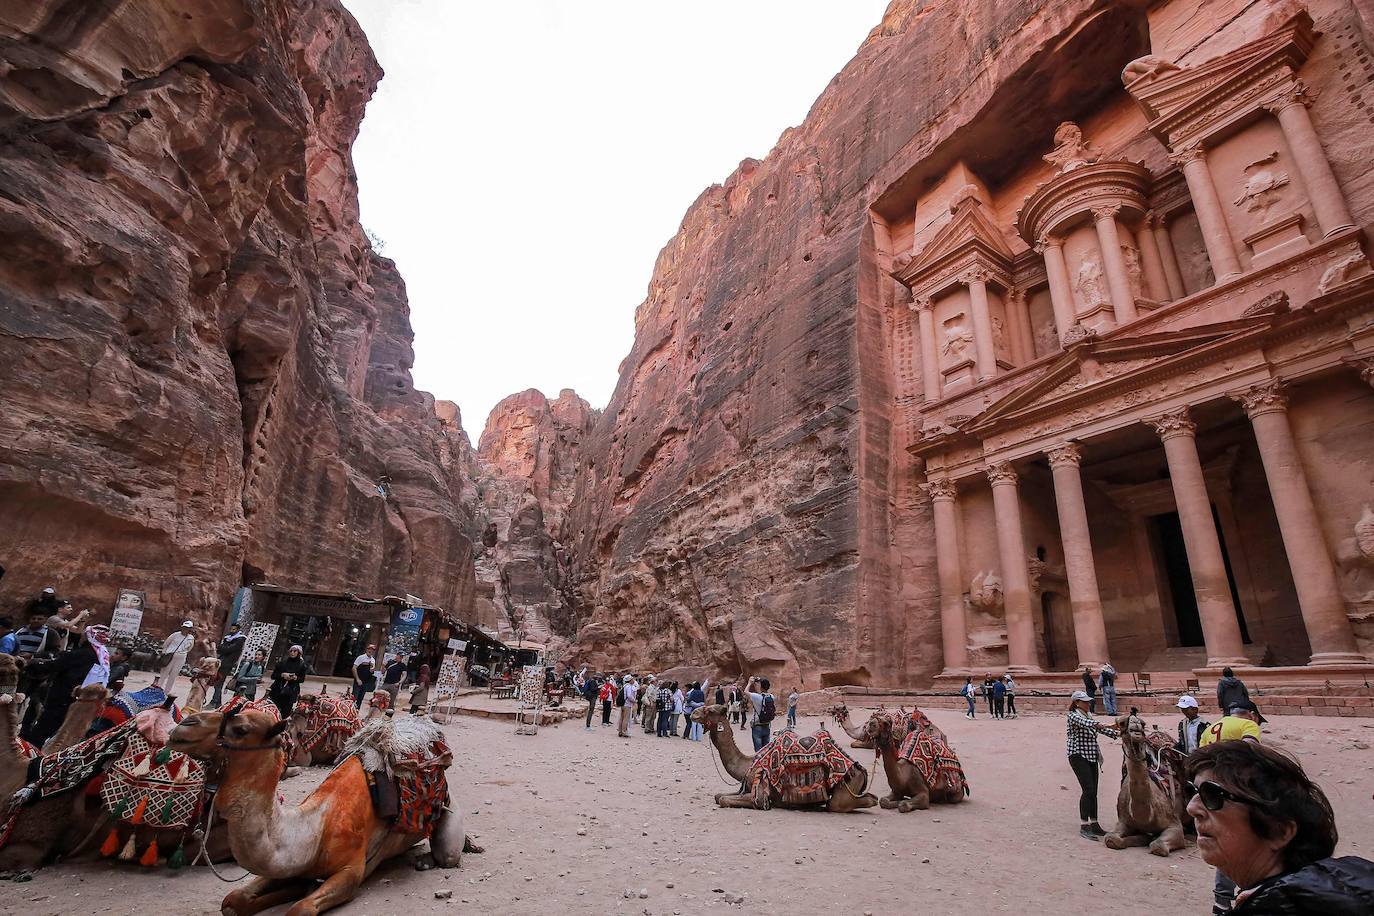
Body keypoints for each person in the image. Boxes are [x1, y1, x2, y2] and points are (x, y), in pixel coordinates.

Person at [1185, 740, 1374, 914]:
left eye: (1213, 795)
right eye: (1191, 791)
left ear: (1279, 831)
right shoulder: (1351, 876)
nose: (1191, 808)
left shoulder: (1278, 906)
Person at [1200, 697, 1266, 911]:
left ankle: (1221, 900)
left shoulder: (1210, 728)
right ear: (1253, 714)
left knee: (1223, 845)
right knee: (1247, 842)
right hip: (1236, 791)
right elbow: (1250, 750)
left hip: (1210, 794)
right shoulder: (1248, 725)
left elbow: (1198, 760)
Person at [20, 625, 103, 748]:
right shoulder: (101, 655)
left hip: (62, 697)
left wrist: (29, 665)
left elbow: (55, 665)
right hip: (80, 699)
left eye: (84, 634)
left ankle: (30, 756)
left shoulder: (80, 654)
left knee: (41, 731)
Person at [1066, 689, 1120, 841]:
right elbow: (1089, 724)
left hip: (1091, 756)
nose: (1088, 703)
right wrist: (1110, 725)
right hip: (1078, 756)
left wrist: (1120, 733)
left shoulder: (1088, 714)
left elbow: (1096, 729)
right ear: (1077, 702)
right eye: (1084, 701)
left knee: (1093, 791)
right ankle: (1084, 825)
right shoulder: (1074, 715)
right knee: (1088, 789)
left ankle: (1094, 823)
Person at [154, 620, 196, 693]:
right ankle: (158, 688)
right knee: (164, 673)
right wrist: (165, 653)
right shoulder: (175, 635)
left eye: (187, 628)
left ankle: (167, 691)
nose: (185, 629)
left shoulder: (191, 638)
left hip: (181, 657)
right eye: (184, 627)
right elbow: (166, 644)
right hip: (170, 655)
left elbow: (189, 648)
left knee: (173, 675)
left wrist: (182, 653)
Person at [211, 624, 246, 707]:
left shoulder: (240, 640)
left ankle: (215, 702)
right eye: (231, 629)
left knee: (219, 682)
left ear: (237, 630)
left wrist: (224, 648)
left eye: (234, 629)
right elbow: (220, 648)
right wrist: (224, 648)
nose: (232, 631)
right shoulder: (228, 638)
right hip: (221, 662)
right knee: (217, 682)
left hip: (227, 664)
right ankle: (217, 702)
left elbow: (229, 649)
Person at [268, 645, 306, 719]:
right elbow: (273, 676)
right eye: (291, 651)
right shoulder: (282, 663)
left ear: (299, 653)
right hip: (278, 690)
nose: (292, 653)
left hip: (290, 692)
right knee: (273, 711)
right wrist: (282, 675)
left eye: (295, 651)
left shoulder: (302, 665)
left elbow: (301, 679)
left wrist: (295, 678)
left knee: (285, 713)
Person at [743, 676, 775, 752]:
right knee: (766, 751)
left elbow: (745, 691)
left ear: (761, 687)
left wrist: (750, 683)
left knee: (758, 752)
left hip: (757, 727)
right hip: (767, 725)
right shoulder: (771, 697)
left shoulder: (757, 697)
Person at [351, 644, 377, 708]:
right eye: (369, 649)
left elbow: (372, 671)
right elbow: (354, 668)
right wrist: (357, 679)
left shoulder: (373, 660)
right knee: (354, 697)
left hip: (366, 682)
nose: (370, 651)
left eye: (372, 650)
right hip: (359, 680)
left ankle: (356, 712)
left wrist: (372, 668)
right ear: (367, 649)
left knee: (360, 698)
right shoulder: (361, 657)